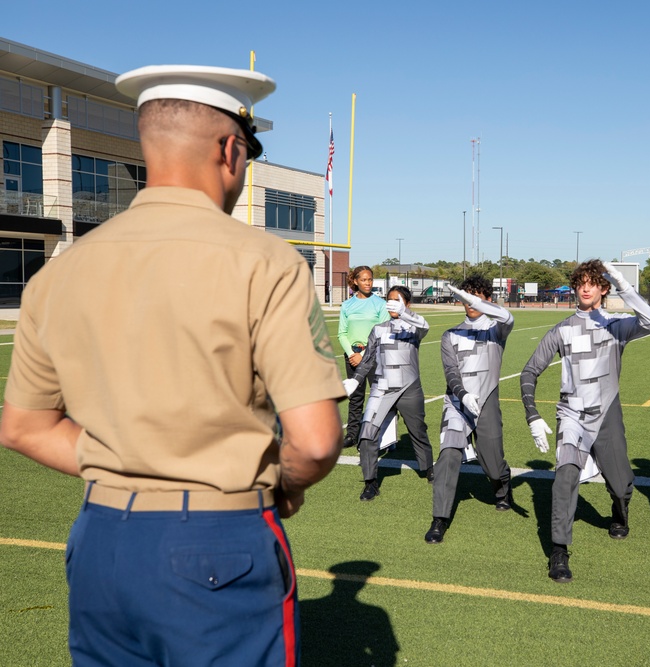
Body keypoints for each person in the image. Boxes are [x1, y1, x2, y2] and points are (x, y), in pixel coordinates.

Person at [0, 65, 346, 666]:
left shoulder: (58, 273)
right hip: (219, 541)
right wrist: (283, 485)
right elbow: (315, 443)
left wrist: (127, 459)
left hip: (102, 540)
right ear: (230, 149)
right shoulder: (265, 261)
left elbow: (23, 427)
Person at [521, 260, 650, 582]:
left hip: (607, 414)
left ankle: (620, 511)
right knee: (564, 478)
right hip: (571, 415)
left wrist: (625, 285)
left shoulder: (616, 324)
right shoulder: (562, 329)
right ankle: (559, 552)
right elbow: (529, 371)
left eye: (593, 282)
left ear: (603, 288)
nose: (585, 287)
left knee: (622, 485)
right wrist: (532, 414)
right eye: (581, 282)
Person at [425, 276, 514, 544]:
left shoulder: (496, 329)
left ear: (487, 299)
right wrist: (462, 396)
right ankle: (439, 519)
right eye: (467, 297)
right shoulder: (450, 335)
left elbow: (508, 318)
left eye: (477, 297)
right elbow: (451, 373)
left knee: (493, 464)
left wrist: (483, 304)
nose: (471, 303)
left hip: (486, 402)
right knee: (448, 455)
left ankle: (502, 489)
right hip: (457, 403)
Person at [344, 285, 434, 500]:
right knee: (367, 433)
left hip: (410, 388)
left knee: (418, 431)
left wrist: (404, 313)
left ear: (407, 303)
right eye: (390, 300)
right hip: (382, 387)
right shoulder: (378, 329)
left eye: (398, 300)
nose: (392, 304)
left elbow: (425, 325)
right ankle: (370, 482)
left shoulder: (414, 328)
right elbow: (367, 360)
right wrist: (355, 381)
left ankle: (429, 469)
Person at [338, 266, 389, 448]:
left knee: (379, 396)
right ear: (355, 282)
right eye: (364, 280)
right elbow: (342, 334)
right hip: (352, 356)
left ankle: (380, 436)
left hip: (373, 355)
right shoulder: (346, 305)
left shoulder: (380, 304)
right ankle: (352, 435)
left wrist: (364, 354)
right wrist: (352, 354)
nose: (368, 283)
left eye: (370, 279)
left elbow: (383, 333)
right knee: (355, 397)